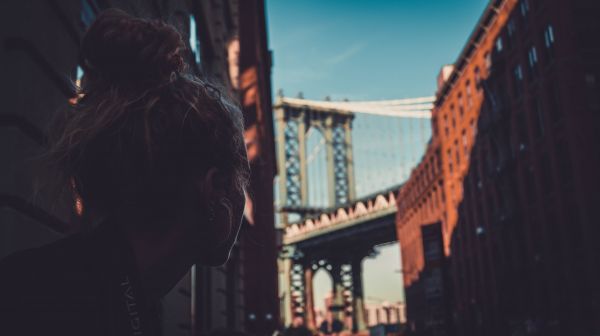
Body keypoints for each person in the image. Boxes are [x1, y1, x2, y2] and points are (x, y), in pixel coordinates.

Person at [0, 9, 249, 336]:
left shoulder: (58, 284)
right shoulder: (42, 305)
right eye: (242, 179)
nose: (243, 196)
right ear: (213, 188)